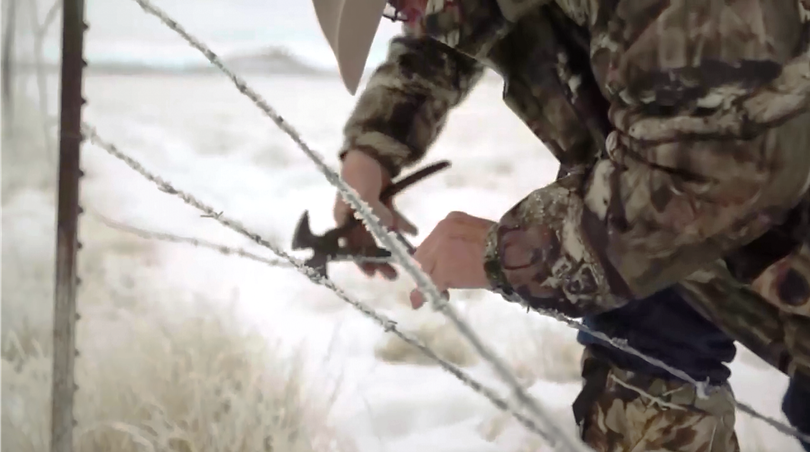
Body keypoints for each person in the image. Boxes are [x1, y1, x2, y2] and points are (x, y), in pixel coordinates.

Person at [311, 0, 810, 450]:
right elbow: (445, 35)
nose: (413, 19)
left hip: (742, 219)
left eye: (401, 3)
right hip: (669, 227)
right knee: (634, 383)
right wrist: (372, 150)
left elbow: (715, 169)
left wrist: (509, 252)